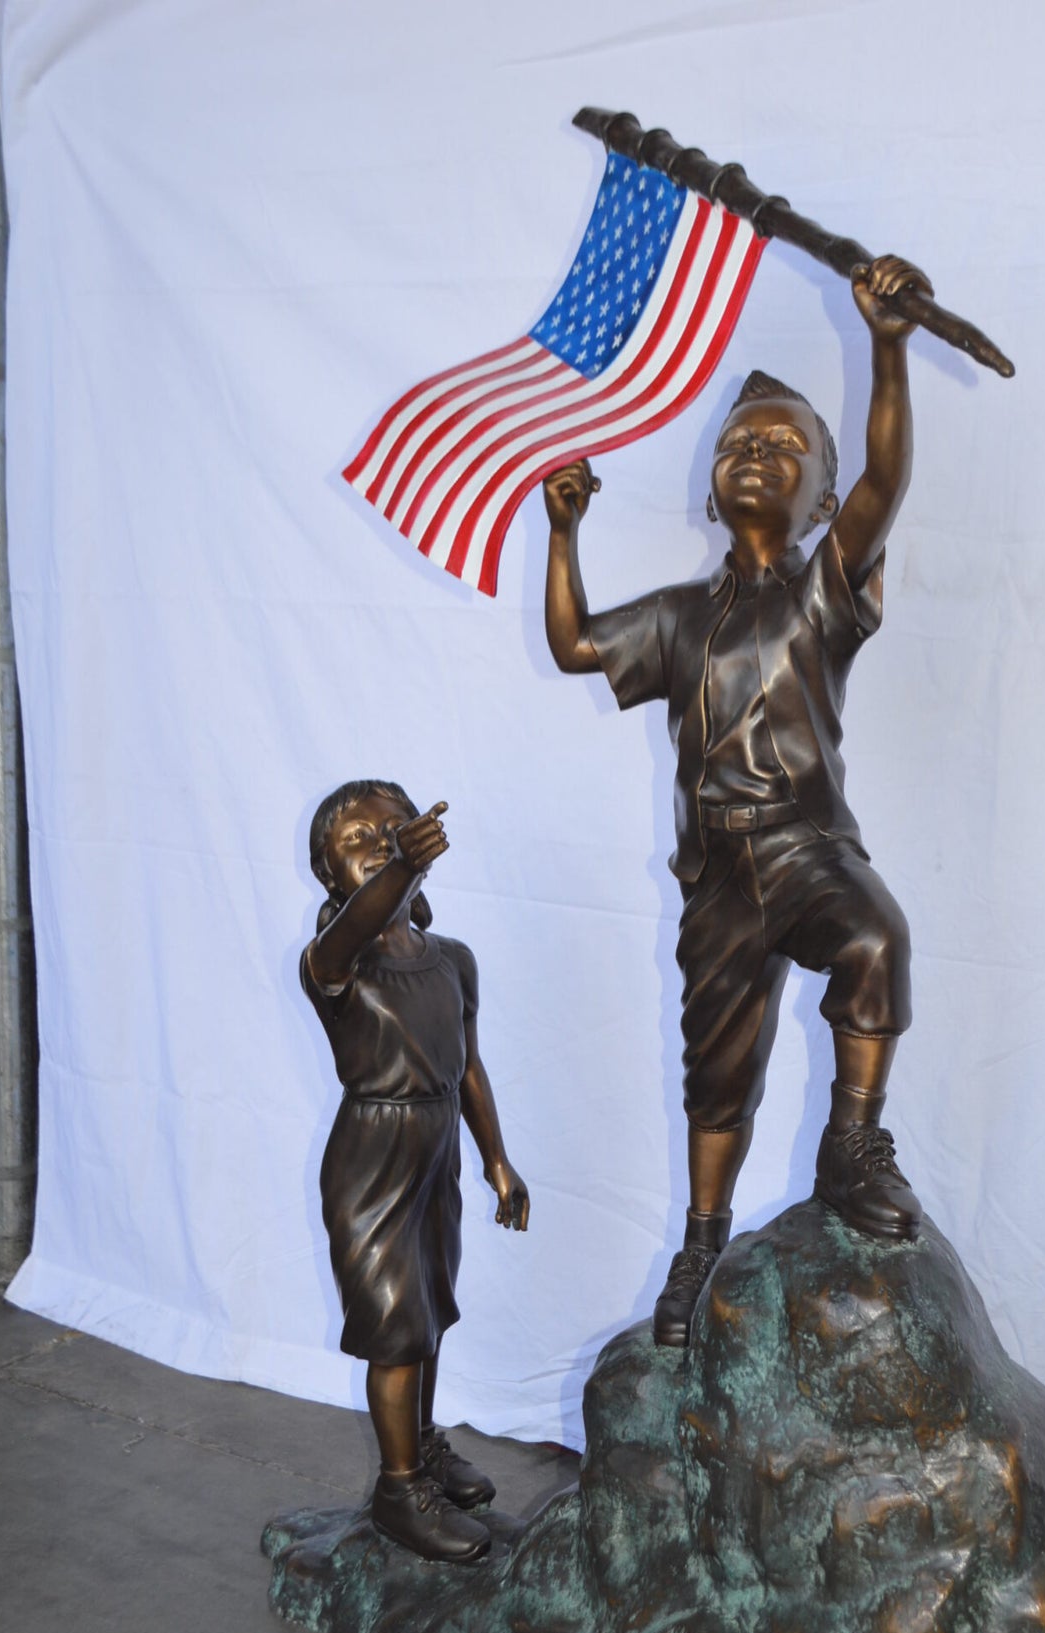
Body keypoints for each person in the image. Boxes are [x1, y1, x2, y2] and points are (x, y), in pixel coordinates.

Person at [542, 255, 926, 1348]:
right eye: (736, 446)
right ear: (710, 484)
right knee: (717, 1069)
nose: (754, 456)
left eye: (781, 449)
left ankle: (851, 1144)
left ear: (819, 497)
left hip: (805, 846)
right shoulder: (674, 616)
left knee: (874, 938)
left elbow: (886, 483)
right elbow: (572, 643)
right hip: (716, 872)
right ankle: (700, 1243)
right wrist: (563, 531)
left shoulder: (826, 590)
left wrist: (886, 343)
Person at [302, 781, 528, 1561]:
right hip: (372, 1156)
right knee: (394, 1326)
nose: (379, 842)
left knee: (428, 1309)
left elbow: (467, 1067)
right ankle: (399, 1492)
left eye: (393, 829)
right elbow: (365, 913)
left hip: (437, 1152)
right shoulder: (333, 961)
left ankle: (419, 1449)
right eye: (356, 840)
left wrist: (497, 1158)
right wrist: (398, 868)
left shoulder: (451, 961)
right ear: (329, 880)